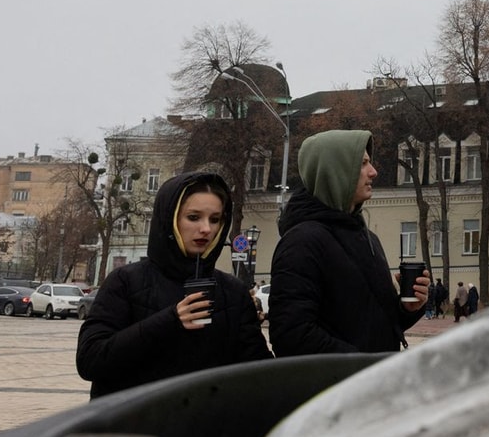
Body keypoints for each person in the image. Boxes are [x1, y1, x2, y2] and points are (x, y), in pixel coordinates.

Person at [76, 171, 271, 399]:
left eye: (215, 219)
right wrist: (170, 320)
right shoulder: (125, 281)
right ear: (170, 219)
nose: (206, 229)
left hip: (204, 430)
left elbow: (260, 376)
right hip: (134, 426)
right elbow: (91, 360)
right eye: (194, 217)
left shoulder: (233, 291)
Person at [269, 130, 428, 355]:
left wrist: (407, 308)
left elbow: (370, 326)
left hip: (371, 383)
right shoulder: (302, 242)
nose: (373, 172)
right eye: (362, 164)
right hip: (338, 387)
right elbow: (292, 335)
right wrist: (362, 366)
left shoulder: (367, 238)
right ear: (335, 171)